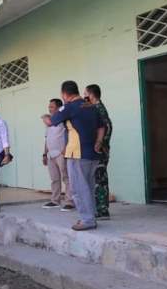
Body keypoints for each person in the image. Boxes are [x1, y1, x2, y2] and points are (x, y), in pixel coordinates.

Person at [49, 81, 104, 231]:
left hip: (77, 153)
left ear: (65, 94)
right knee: (89, 187)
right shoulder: (91, 106)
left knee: (79, 189)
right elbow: (101, 127)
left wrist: (54, 112)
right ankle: (90, 216)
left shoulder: (69, 107)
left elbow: (53, 121)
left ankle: (87, 220)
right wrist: (99, 142)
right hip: (93, 153)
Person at [84, 84, 113, 220]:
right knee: (98, 179)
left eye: (85, 94)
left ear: (91, 94)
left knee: (100, 179)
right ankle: (99, 209)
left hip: (100, 150)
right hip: (99, 149)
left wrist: (101, 143)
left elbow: (107, 126)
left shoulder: (99, 108)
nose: (84, 97)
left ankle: (102, 211)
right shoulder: (95, 108)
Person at [41, 98, 75, 211]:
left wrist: (65, 150)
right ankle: (55, 200)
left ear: (58, 108)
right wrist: (44, 154)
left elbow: (69, 135)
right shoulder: (49, 123)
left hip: (61, 153)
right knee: (54, 179)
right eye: (49, 106)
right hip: (51, 154)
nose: (49, 109)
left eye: (52, 107)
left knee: (66, 177)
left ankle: (70, 201)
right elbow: (47, 139)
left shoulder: (63, 120)